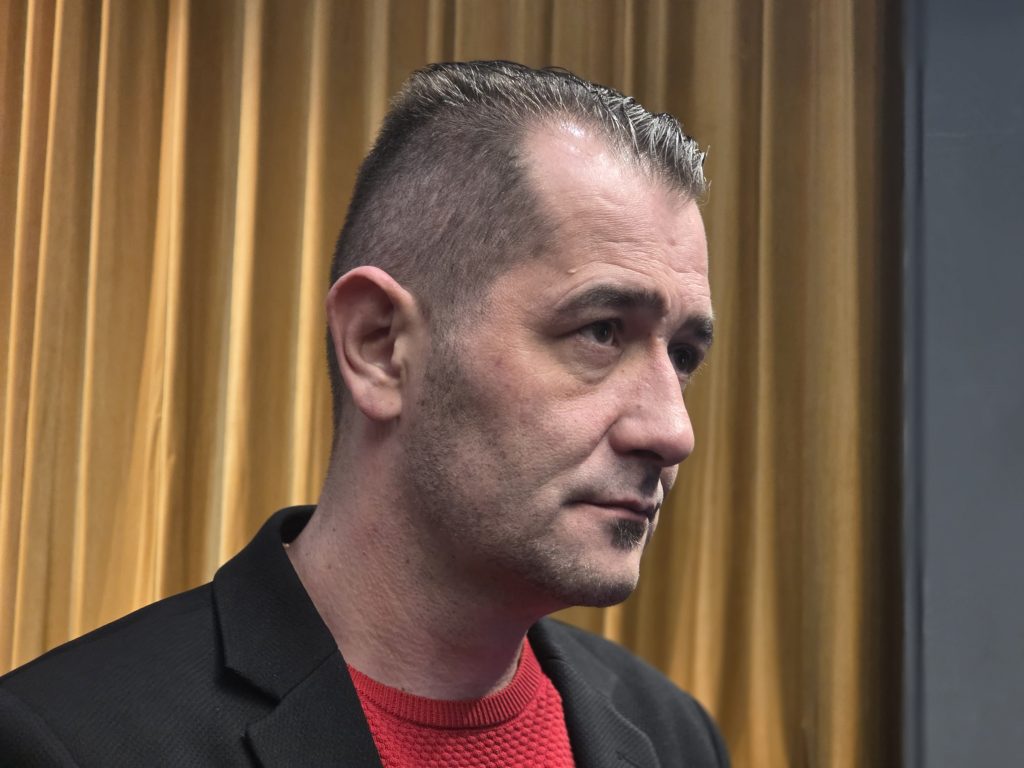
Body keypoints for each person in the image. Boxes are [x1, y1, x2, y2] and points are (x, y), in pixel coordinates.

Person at [0, 61, 726, 767]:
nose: (672, 432)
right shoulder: (65, 743)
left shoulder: (675, 733)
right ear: (380, 346)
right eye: (601, 331)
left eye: (684, 354)